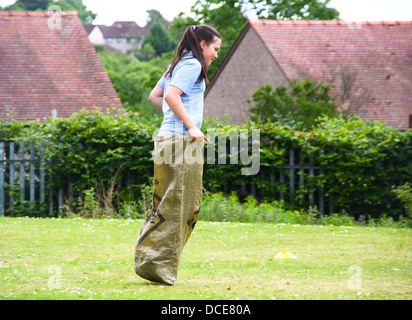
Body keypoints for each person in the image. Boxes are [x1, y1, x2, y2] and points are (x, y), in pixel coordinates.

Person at [134, 25, 221, 285]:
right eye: (215, 49)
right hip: (181, 141)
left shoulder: (178, 63)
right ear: (203, 44)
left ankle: (150, 261)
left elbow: (155, 96)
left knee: (166, 204)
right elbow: (171, 96)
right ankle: (160, 269)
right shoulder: (192, 64)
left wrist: (175, 117)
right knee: (182, 206)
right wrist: (191, 125)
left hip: (167, 139)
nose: (216, 55)